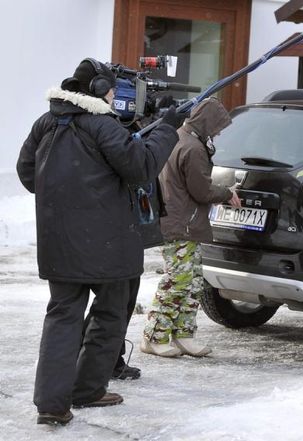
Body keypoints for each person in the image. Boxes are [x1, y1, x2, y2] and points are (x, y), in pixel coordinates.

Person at [16, 57, 182, 426]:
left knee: (62, 315)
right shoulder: (102, 125)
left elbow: (27, 173)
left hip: (59, 241)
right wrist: (167, 128)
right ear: (95, 91)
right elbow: (140, 167)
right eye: (110, 90)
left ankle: (52, 404)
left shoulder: (45, 122)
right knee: (110, 313)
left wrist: (66, 196)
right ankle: (88, 389)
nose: (113, 96)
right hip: (108, 243)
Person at [141, 97, 241, 358]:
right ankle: (155, 335)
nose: (218, 132)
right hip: (182, 223)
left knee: (193, 281)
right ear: (207, 123)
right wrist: (226, 193)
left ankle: (184, 335)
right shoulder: (193, 148)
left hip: (182, 221)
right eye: (218, 126)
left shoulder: (180, 138)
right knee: (178, 280)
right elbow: (202, 189)